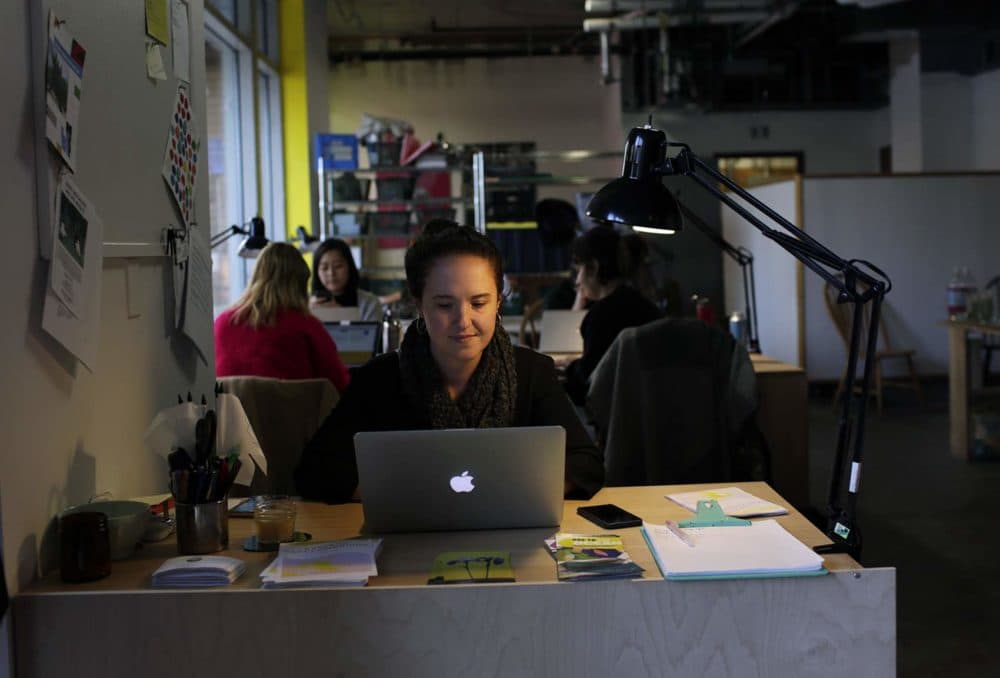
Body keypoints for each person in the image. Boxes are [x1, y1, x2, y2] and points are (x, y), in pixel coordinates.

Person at [295, 219, 604, 503]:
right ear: (419, 305)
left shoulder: (531, 372)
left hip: (507, 536)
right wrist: (394, 498)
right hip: (406, 543)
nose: (463, 320)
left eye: (479, 302)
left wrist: (513, 493)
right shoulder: (380, 379)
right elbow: (314, 471)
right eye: (445, 305)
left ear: (498, 300)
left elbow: (586, 463)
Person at [214, 242, 350, 394]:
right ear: (300, 284)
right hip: (296, 417)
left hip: (231, 417)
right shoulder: (306, 327)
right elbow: (339, 386)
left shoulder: (220, 324)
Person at [563, 225, 661, 405]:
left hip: (617, 416)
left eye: (579, 271)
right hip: (652, 408)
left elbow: (587, 384)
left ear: (593, 268)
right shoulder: (647, 307)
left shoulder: (599, 317)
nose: (577, 280)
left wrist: (569, 370)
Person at [310, 237, 383, 321]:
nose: (331, 273)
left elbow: (371, 333)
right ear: (316, 271)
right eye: (324, 268)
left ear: (350, 267)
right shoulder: (307, 305)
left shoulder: (369, 303)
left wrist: (339, 313)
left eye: (338, 266)